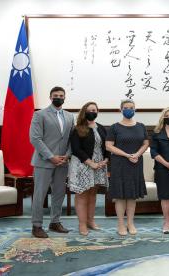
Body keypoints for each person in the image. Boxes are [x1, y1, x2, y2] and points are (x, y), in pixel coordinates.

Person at [29, 86, 74, 238]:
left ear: (64, 98)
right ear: (50, 97)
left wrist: (67, 156)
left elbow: (70, 139)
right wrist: (50, 156)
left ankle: (55, 222)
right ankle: (37, 225)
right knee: (39, 195)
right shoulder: (39, 115)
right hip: (44, 161)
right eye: (55, 95)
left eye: (61, 95)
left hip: (62, 162)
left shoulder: (69, 116)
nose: (58, 97)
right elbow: (35, 138)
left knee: (59, 193)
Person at [106, 99, 149, 236]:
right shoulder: (114, 127)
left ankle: (130, 223)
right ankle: (120, 224)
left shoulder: (141, 126)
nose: (128, 109)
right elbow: (109, 146)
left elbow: (146, 143)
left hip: (135, 163)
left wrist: (136, 154)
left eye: (131, 107)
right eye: (126, 107)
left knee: (132, 196)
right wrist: (126, 155)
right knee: (120, 196)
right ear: (121, 109)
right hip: (119, 164)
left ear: (135, 109)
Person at [68, 102, 109, 236]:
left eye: (95, 110)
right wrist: (90, 163)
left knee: (93, 194)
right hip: (82, 165)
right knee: (82, 195)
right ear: (84, 112)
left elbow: (107, 147)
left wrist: (106, 160)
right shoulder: (78, 128)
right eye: (90, 110)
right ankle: (82, 224)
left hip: (99, 166)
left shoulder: (102, 128)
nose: (92, 112)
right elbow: (76, 149)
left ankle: (91, 221)